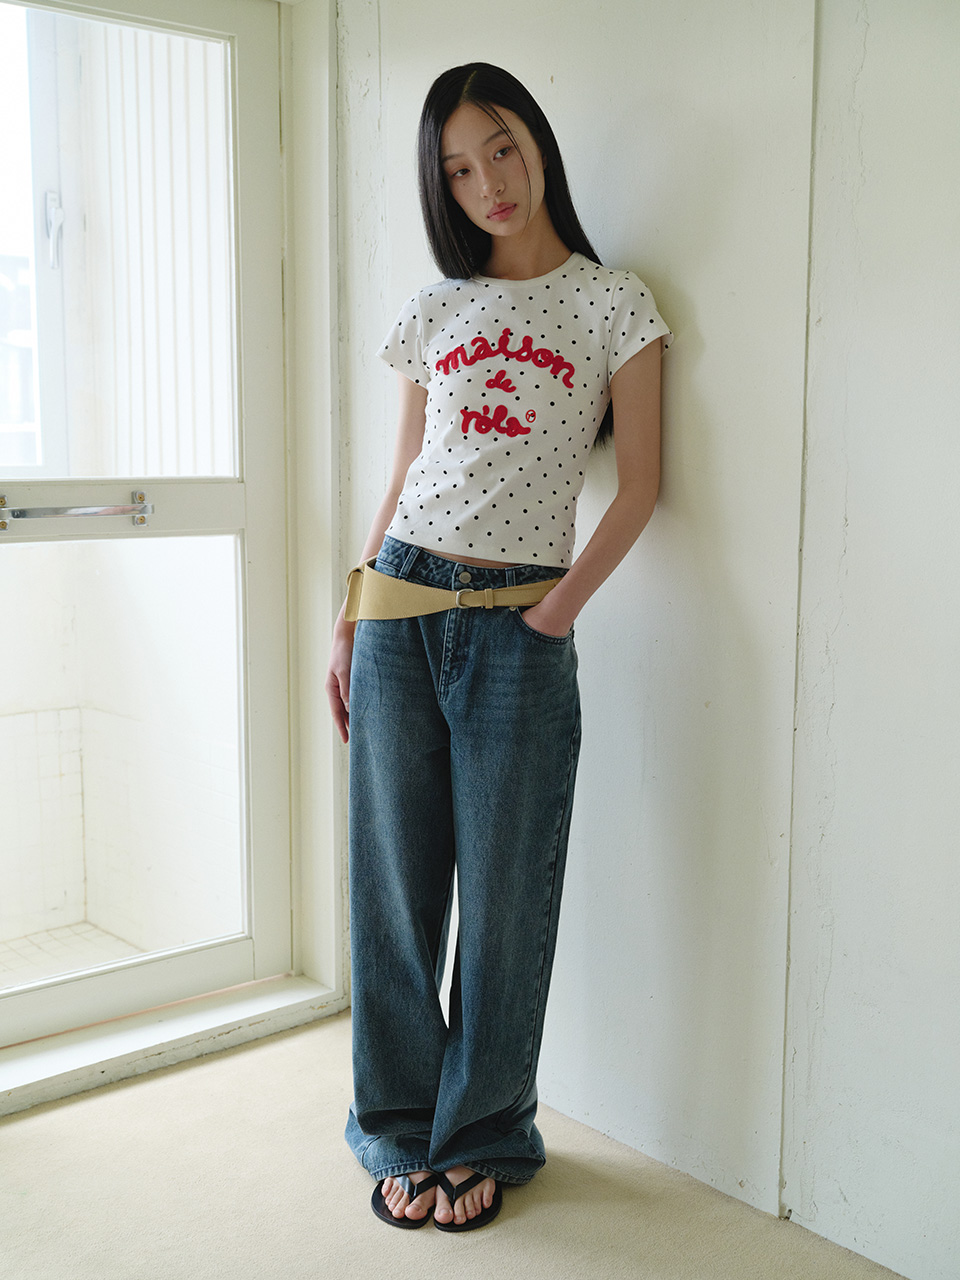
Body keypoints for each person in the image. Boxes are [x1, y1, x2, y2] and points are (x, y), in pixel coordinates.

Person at [325, 62, 672, 1232]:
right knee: (393, 891)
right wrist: (351, 610)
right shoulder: (439, 307)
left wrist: (553, 614)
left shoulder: (614, 302)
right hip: (398, 606)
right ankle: (396, 1127)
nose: (488, 183)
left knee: (510, 895)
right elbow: (402, 475)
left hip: (522, 622)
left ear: (538, 142)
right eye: (459, 168)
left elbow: (641, 487)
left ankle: (481, 1134)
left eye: (503, 148)